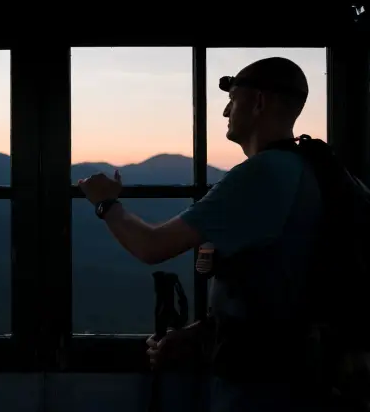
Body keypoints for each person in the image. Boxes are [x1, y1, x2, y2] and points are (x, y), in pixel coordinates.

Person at [78, 57, 324, 411]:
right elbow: (279, 282)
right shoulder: (305, 168)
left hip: (262, 384)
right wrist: (203, 332)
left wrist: (105, 204)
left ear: (258, 103)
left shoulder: (261, 175)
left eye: (232, 99)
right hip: (294, 371)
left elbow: (152, 246)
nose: (225, 111)